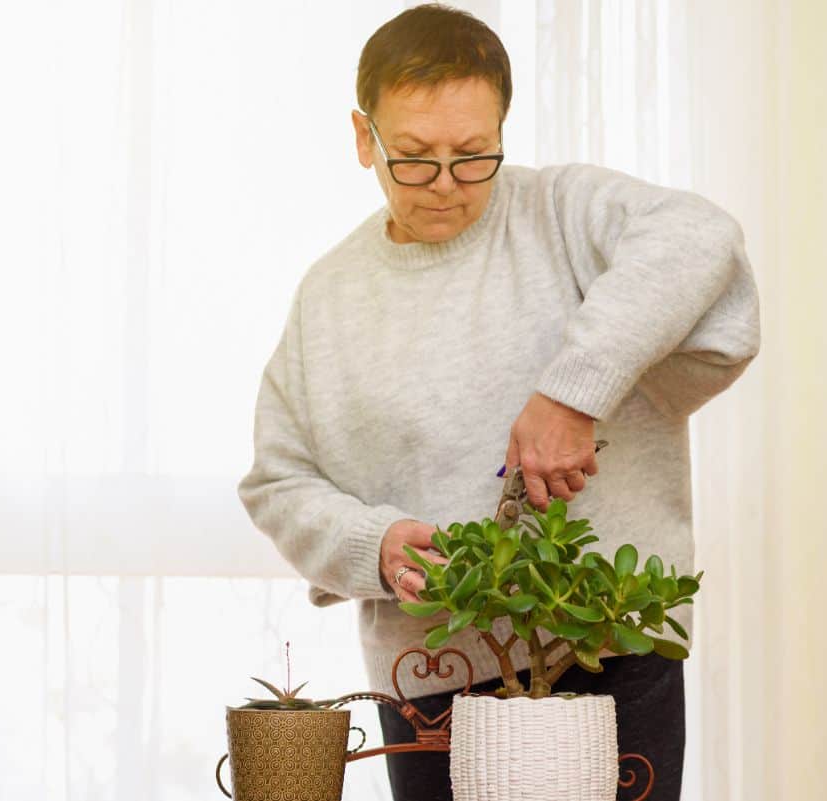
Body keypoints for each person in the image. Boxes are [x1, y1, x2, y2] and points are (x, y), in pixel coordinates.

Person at [237, 5, 760, 800]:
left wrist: (571, 392)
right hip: (430, 678)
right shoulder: (329, 297)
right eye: (413, 158)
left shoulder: (561, 214)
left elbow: (701, 238)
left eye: (474, 154)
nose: (446, 184)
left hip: (609, 652)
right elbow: (277, 482)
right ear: (361, 136)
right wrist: (374, 546)